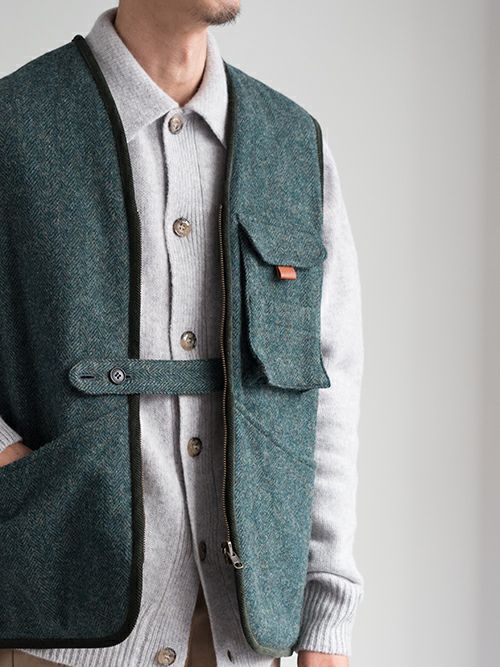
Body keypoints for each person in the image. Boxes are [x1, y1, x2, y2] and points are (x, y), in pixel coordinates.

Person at [0, 2, 364, 666]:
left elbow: (328, 387)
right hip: (56, 627)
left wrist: (326, 618)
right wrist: (12, 463)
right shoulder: (14, 124)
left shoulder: (291, 145)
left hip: (239, 636)